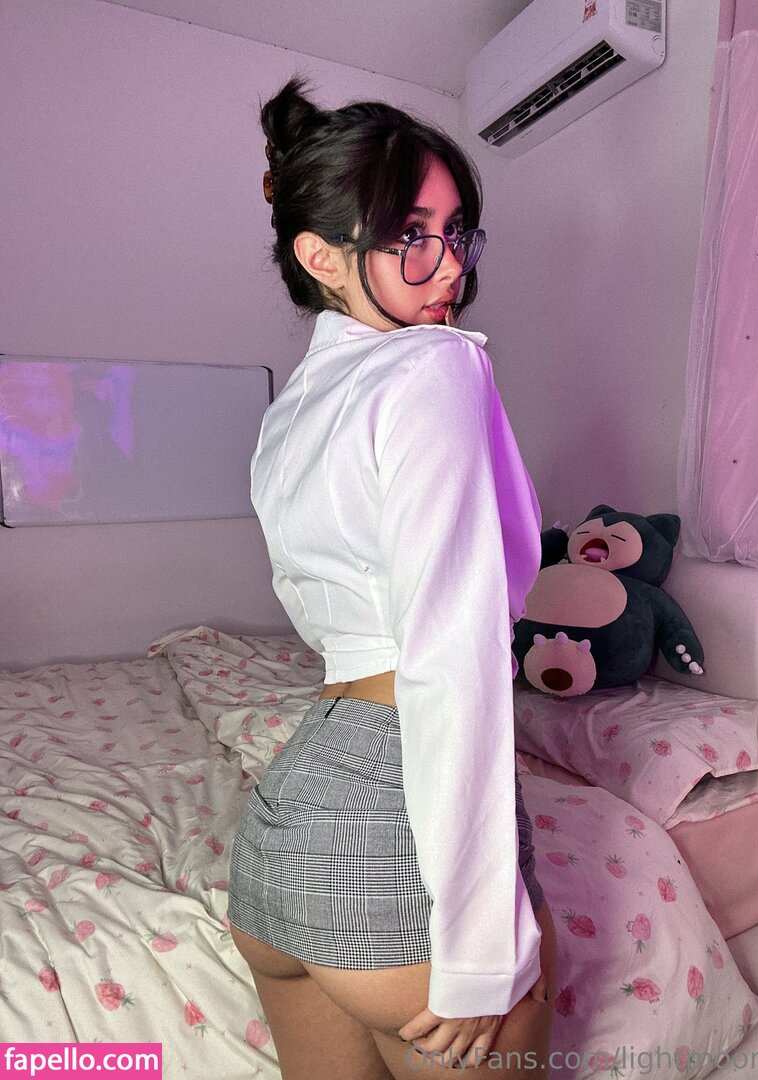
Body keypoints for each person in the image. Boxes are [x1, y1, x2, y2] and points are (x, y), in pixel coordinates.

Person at [228, 74, 557, 1079]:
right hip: (391, 819)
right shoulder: (431, 366)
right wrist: (482, 951)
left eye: (457, 233)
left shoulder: (289, 413)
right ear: (321, 256)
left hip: (285, 837)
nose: (447, 264)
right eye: (411, 235)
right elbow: (452, 659)